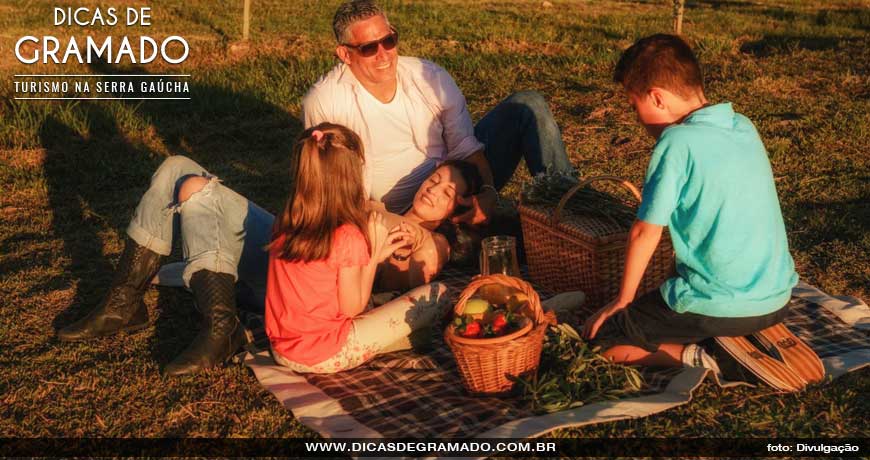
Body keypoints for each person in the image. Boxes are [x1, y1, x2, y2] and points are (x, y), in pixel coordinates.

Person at [56, 127, 478, 375]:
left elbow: (413, 281)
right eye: (436, 177)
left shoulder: (430, 240)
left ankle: (216, 317)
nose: (433, 188)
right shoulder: (359, 208)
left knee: (196, 198)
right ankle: (122, 301)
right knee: (177, 169)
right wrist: (374, 211)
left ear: (455, 212)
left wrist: (397, 244)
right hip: (294, 275)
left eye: (447, 192)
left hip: (308, 296)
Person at [581, 34, 798, 372]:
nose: (635, 116)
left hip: (721, 307)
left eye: (633, 104)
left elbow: (644, 232)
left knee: (602, 342)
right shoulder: (742, 125)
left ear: (657, 98)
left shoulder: (676, 142)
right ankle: (722, 339)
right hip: (777, 298)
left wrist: (623, 300)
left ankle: (708, 359)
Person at [303, 0, 575, 224]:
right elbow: (332, 187)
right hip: (379, 215)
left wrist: (489, 193)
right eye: (369, 48)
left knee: (528, 104)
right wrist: (394, 225)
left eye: (389, 40)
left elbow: (465, 148)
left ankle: (572, 215)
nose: (384, 54)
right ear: (345, 54)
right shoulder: (327, 101)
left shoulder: (428, 77)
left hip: (450, 189)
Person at [266, 123, 449, 374]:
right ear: (351, 175)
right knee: (439, 294)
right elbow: (353, 308)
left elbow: (324, 280)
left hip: (283, 348)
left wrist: (372, 257)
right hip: (325, 353)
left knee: (388, 305)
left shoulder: (288, 218)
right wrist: (373, 251)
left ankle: (398, 338)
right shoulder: (347, 235)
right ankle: (403, 341)